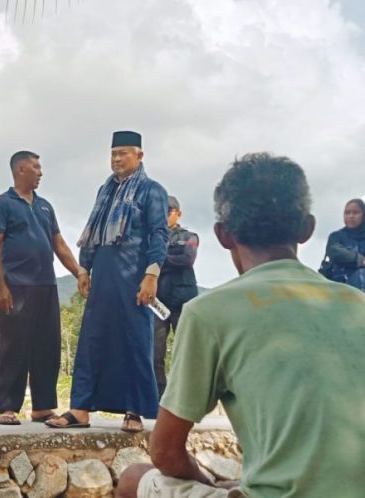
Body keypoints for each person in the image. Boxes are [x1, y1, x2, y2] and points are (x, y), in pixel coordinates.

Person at [116, 153, 365, 498]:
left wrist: (210, 483)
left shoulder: (210, 311)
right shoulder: (357, 304)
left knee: (133, 478)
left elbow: (165, 452)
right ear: (307, 228)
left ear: (222, 235)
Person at [46, 131, 168, 432]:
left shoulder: (152, 190)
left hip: (134, 277)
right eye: (113, 153)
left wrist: (152, 274)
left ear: (139, 156)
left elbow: (158, 234)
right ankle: (80, 409)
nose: (116, 159)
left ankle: (134, 410)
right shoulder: (106, 190)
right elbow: (94, 230)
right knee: (93, 338)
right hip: (103, 274)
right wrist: (84, 269)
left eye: (124, 153)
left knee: (135, 340)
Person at [0, 150, 88, 425]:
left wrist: (78, 270)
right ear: (21, 170)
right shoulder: (1, 204)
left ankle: (43, 406)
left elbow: (59, 244)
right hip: (16, 286)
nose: (41, 172)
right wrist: (1, 287)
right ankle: (7, 407)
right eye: (36, 167)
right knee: (14, 346)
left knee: (47, 346)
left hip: (46, 285)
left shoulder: (45, 206)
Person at [153, 195, 199, 398]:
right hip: (157, 303)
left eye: (169, 211)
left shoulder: (189, 236)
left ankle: (184, 398)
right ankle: (159, 399)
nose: (165, 215)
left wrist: (159, 259)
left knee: (185, 352)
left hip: (182, 301)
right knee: (155, 354)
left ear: (178, 213)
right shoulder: (152, 237)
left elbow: (186, 259)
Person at [320, 198, 365, 292]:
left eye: (356, 213)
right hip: (341, 291)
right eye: (347, 213)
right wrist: (360, 260)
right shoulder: (336, 236)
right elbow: (334, 252)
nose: (351, 216)